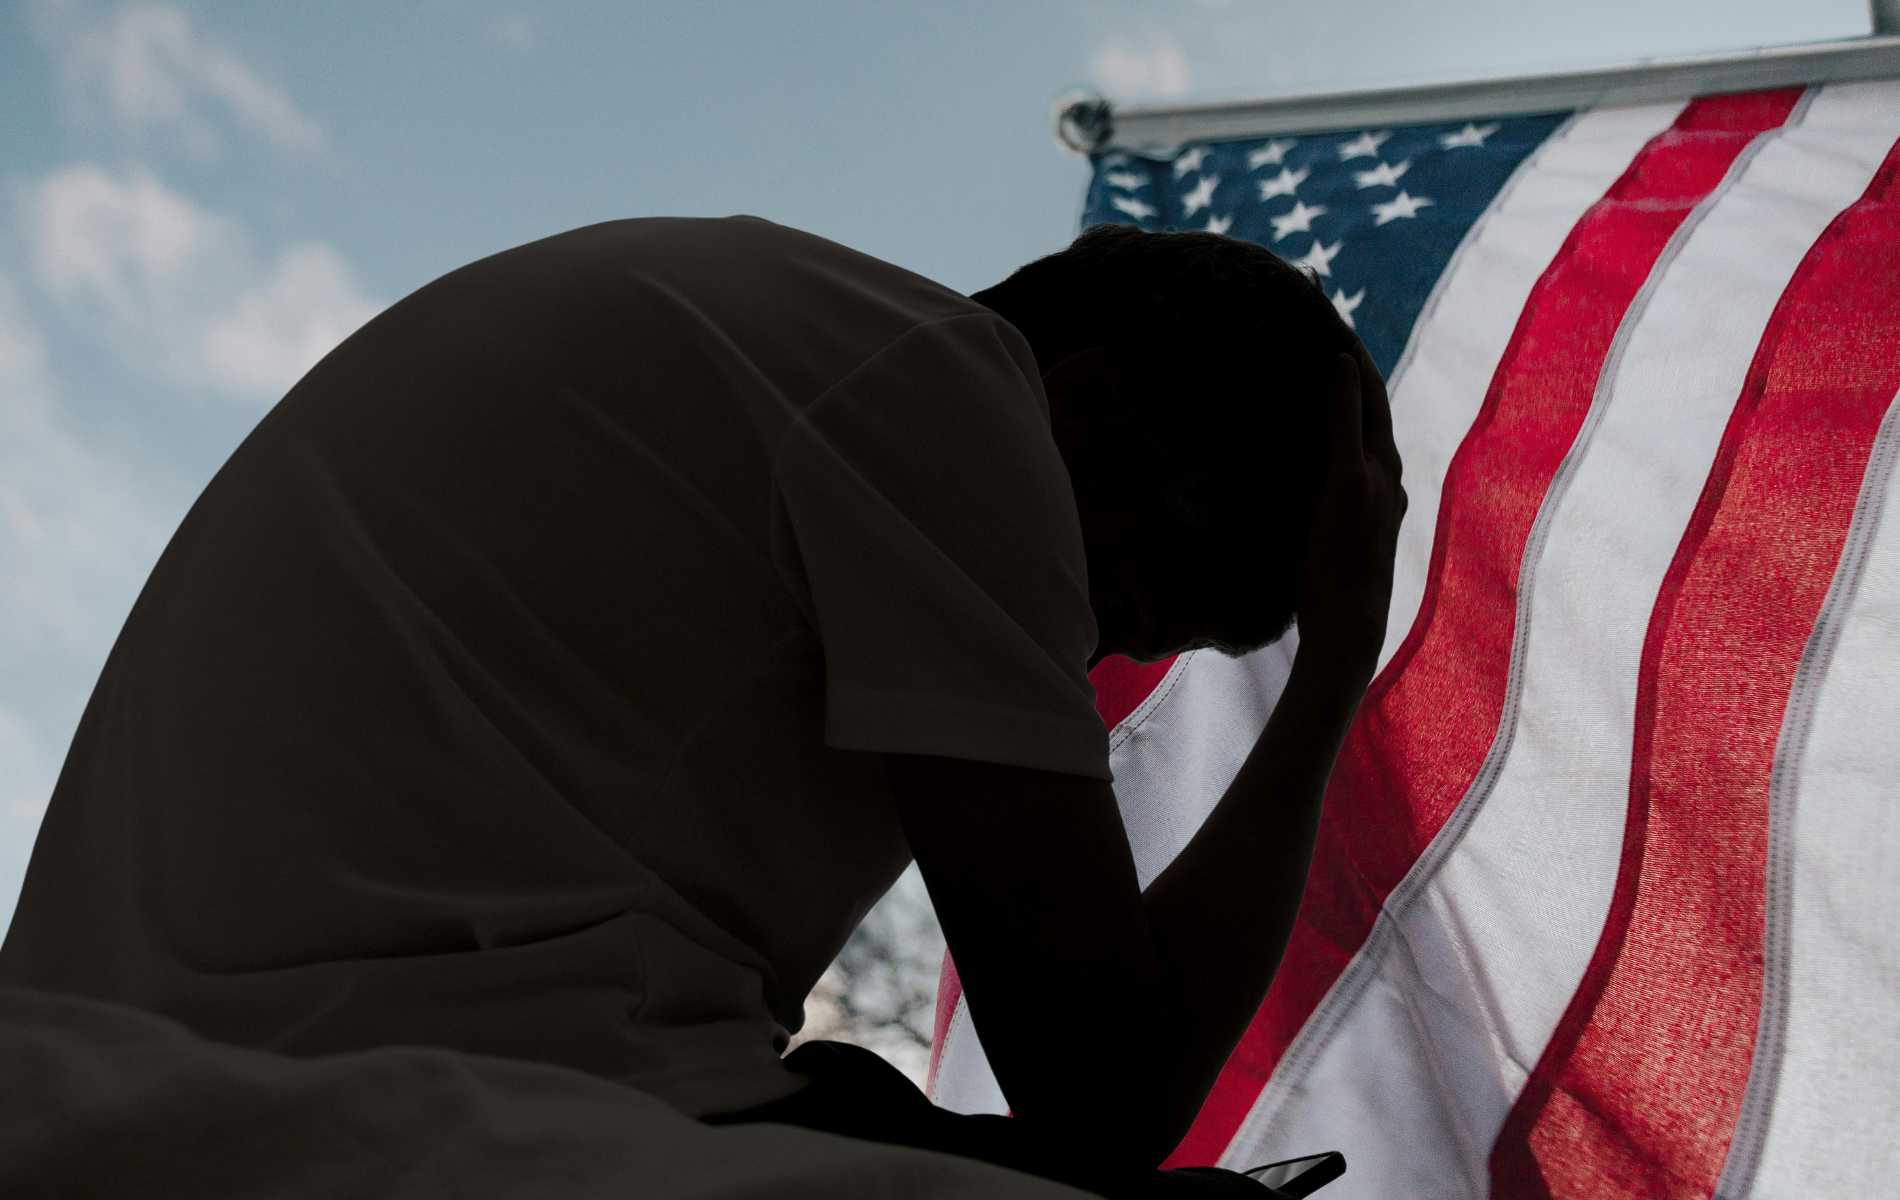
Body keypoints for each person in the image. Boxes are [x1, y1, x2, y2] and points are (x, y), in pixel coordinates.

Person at [0, 215, 1403, 1198]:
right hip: (401, 1070)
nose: (1082, 655)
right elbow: (1109, 1094)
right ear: (1089, 417)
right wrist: (1334, 671)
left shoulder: (794, 337)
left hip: (234, 1032)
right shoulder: (948, 391)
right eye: (1129, 599)